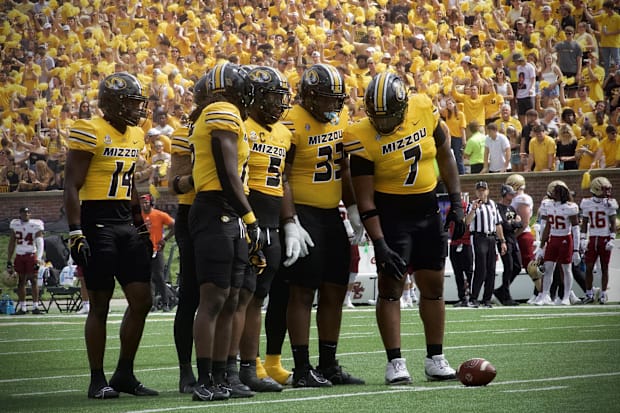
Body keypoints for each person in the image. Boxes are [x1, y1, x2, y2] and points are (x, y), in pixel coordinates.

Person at [344, 71, 463, 385]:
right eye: (377, 117)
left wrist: (456, 201)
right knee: (391, 290)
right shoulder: (360, 134)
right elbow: (365, 198)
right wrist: (379, 242)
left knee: (434, 288)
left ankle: (436, 357)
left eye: (389, 116)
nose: (381, 123)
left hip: (427, 210)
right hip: (392, 214)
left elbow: (446, 152)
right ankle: (395, 361)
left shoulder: (423, 107)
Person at [63, 72, 158, 399]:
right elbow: (71, 184)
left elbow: (129, 181)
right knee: (100, 305)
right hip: (96, 221)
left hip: (124, 222)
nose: (137, 109)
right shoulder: (90, 129)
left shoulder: (134, 134)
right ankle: (96, 379)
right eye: (131, 102)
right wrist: (75, 230)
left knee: (142, 300)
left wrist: (140, 221)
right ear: (114, 104)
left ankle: (124, 373)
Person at [279, 63, 365, 388]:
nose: (334, 105)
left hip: (331, 214)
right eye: (327, 99)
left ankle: (328, 364)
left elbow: (343, 167)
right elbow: (281, 176)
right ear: (310, 97)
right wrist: (289, 220)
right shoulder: (290, 123)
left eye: (336, 99)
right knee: (302, 292)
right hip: (303, 214)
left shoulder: (340, 119)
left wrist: (354, 207)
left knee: (335, 288)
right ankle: (302, 368)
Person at [188, 63, 260, 402]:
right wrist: (250, 216)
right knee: (214, 297)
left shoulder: (227, 113)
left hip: (228, 209)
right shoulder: (221, 110)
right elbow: (227, 171)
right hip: (218, 207)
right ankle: (204, 378)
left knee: (231, 297)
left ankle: (219, 376)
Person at [235, 66, 296, 393]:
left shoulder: (284, 134)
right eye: (272, 96)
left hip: (271, 221)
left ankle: (251, 365)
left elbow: (284, 179)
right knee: (239, 297)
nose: (278, 103)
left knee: (257, 298)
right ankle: (230, 368)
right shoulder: (241, 127)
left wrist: (290, 221)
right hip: (248, 219)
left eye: (280, 97)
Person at [168, 85, 200, 394]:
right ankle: (186, 370)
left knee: (230, 295)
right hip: (193, 215)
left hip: (231, 212)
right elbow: (174, 185)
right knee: (191, 295)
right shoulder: (185, 134)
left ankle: (226, 368)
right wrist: (202, 174)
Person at [534, 181, 580, 305]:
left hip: (565, 239)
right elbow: (548, 226)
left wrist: (576, 249)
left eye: (555, 192)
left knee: (566, 268)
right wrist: (542, 245)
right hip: (553, 239)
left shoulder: (570, 207)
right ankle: (544, 295)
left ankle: (566, 297)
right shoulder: (548, 205)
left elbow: (575, 229)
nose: (552, 194)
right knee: (548, 268)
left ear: (561, 193)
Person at [464, 180, 507, 308]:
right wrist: (473, 210)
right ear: (476, 192)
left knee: (491, 270)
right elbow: (467, 222)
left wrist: (502, 241)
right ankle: (473, 298)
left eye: (483, 190)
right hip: (478, 237)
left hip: (491, 238)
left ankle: (486, 299)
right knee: (480, 269)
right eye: (479, 190)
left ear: (487, 191)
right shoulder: (472, 204)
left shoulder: (493, 205)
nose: (481, 192)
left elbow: (497, 223)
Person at [580, 177, 618, 304]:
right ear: (596, 190)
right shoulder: (586, 203)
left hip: (605, 238)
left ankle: (603, 293)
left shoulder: (610, 203)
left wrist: (612, 238)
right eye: (604, 189)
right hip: (593, 238)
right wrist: (583, 238)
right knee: (589, 266)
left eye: (608, 189)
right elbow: (584, 223)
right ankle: (589, 293)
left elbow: (613, 223)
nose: (607, 192)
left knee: (604, 267)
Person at [140, 193, 175, 312]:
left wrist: (165, 239)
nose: (144, 205)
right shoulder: (139, 216)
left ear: (151, 203)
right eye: (143, 203)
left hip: (157, 249)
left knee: (159, 277)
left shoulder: (159, 215)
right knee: (148, 278)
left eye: (146, 202)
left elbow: (173, 225)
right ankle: (152, 304)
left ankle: (166, 302)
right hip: (144, 250)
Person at [7, 207, 45, 315]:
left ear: (30, 214)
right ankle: (23, 308)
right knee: (20, 281)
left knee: (33, 280)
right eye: (24, 212)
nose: (26, 214)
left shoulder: (36, 224)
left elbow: (40, 243)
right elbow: (11, 243)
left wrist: (38, 258)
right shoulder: (15, 224)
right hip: (19, 255)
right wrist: (9, 259)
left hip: (31, 255)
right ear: (20, 214)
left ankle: (35, 307)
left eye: (28, 212)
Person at [494, 184, 522, 306]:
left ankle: (501, 291)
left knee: (517, 267)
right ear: (505, 194)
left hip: (512, 239)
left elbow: (519, 224)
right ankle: (506, 296)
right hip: (504, 240)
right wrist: (515, 223)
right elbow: (505, 225)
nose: (512, 196)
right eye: (510, 194)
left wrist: (515, 224)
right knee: (508, 267)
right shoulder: (498, 208)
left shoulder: (511, 208)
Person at [448, 197, 473, 308]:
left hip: (463, 243)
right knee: (464, 272)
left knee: (463, 272)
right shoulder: (450, 208)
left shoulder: (467, 208)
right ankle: (465, 297)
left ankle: (465, 297)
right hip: (458, 243)